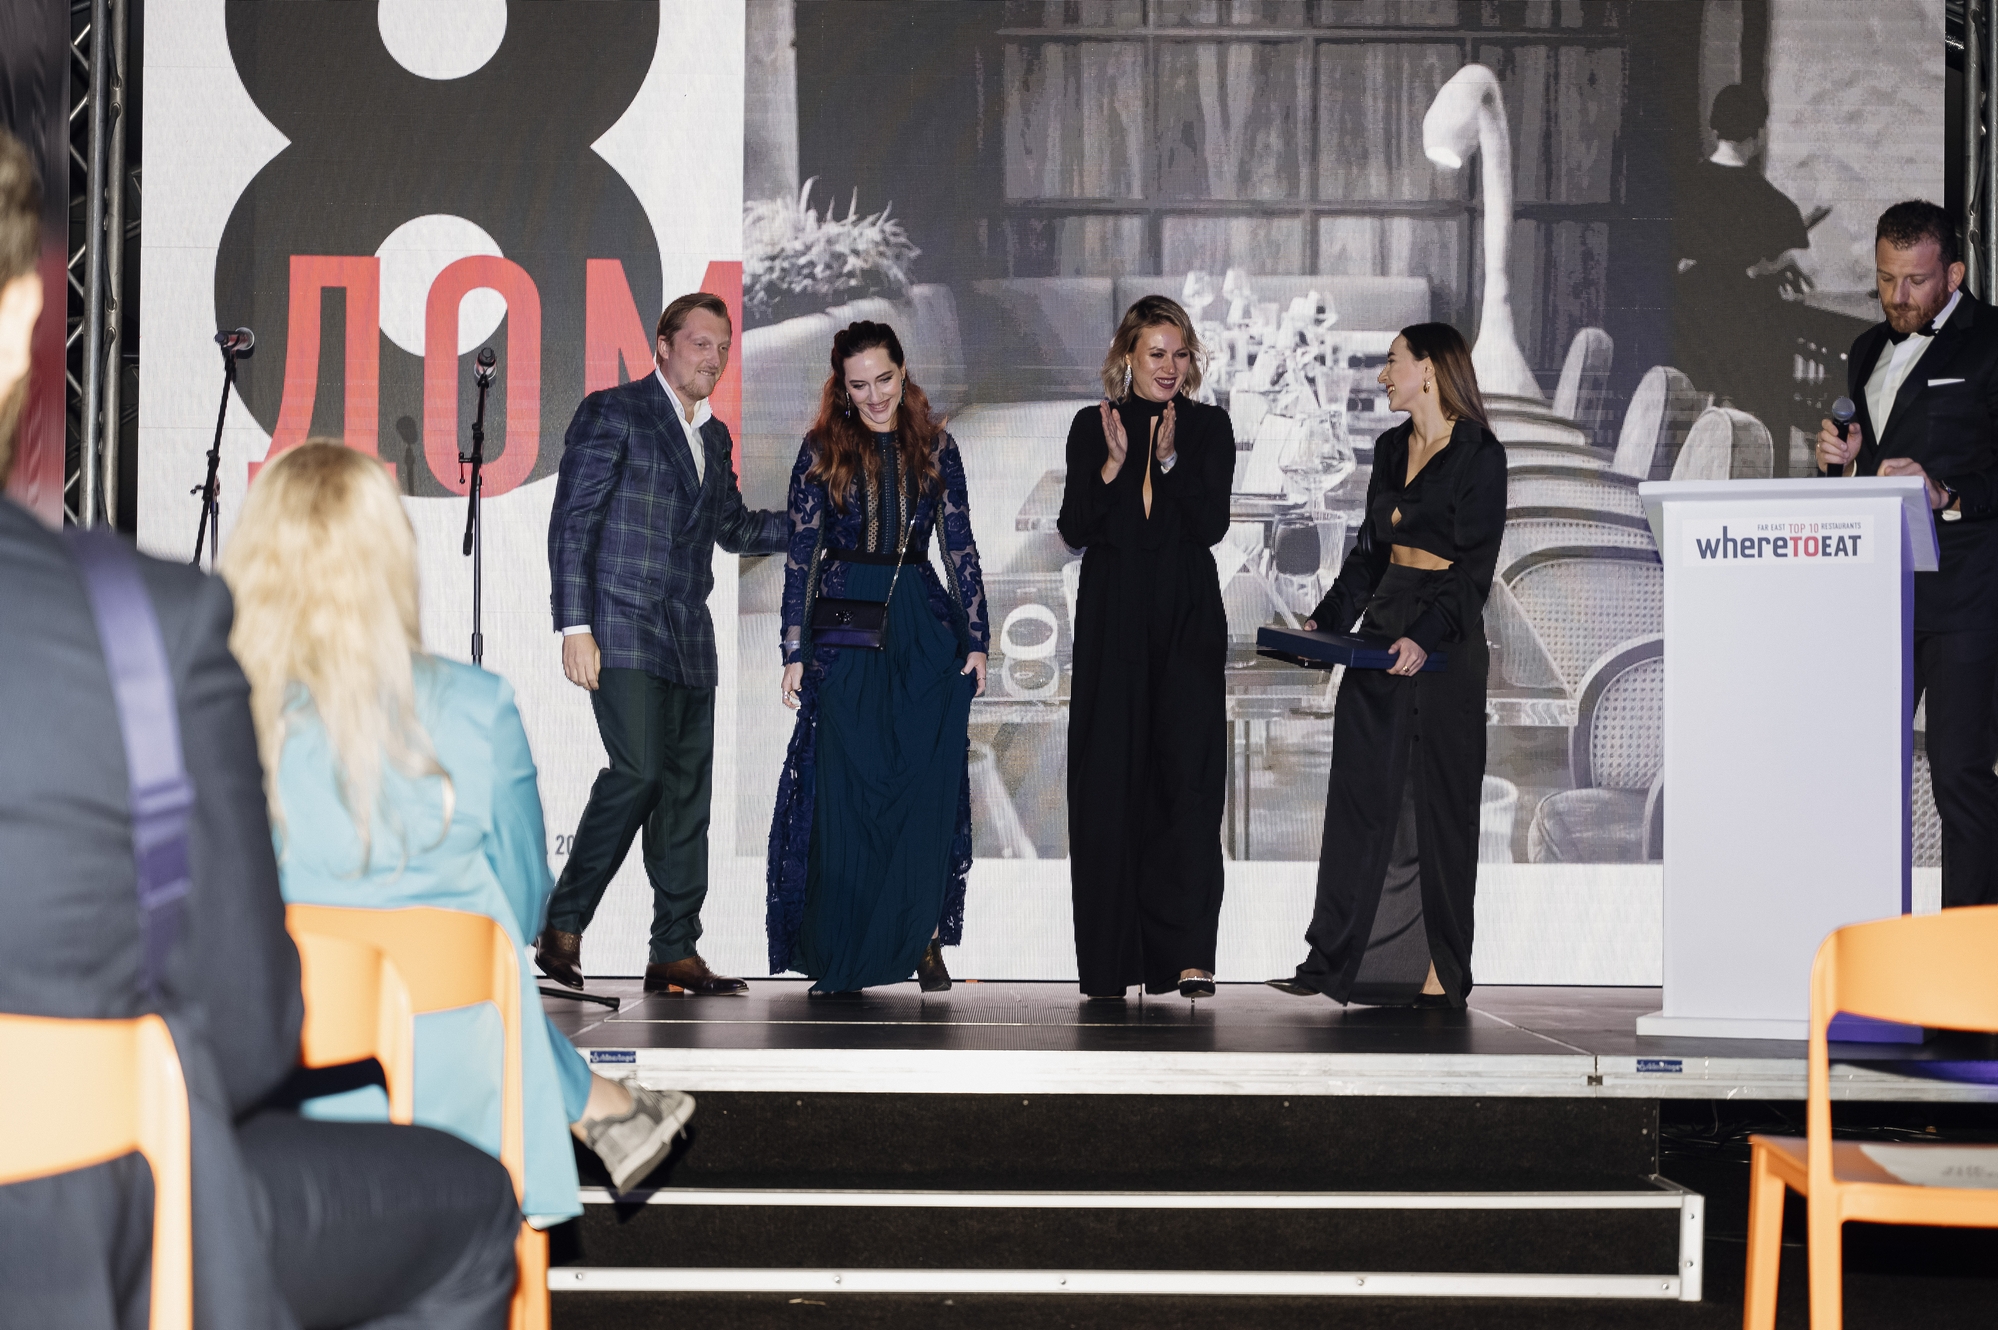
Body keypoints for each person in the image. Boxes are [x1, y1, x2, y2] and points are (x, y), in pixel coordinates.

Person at [0, 130, 520, 1330]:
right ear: (25, 308)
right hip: (77, 1226)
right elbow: (244, 1032)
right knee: (469, 1206)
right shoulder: (147, 630)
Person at [221, 441, 697, 1207]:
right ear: (390, 558)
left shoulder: (205, 719)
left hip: (264, 1098)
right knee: (478, 933)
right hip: (455, 1110)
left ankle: (596, 1102)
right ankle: (592, 1101)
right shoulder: (476, 708)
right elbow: (524, 904)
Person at [541, 292, 788, 994]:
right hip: (620, 627)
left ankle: (675, 951)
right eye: (701, 343)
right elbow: (573, 524)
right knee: (639, 773)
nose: (714, 358)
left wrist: (816, 521)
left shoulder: (715, 436)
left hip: (689, 640)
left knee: (685, 800)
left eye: (723, 347)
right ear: (663, 344)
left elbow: (734, 529)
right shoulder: (614, 411)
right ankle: (562, 923)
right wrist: (575, 626)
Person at [1268, 323, 1507, 1009]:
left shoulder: (1480, 455)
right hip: (1382, 627)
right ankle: (1333, 962)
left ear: (1429, 370)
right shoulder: (1389, 447)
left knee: (1437, 804)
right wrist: (1325, 623)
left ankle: (1439, 969)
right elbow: (1369, 556)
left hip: (1445, 638)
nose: (1382, 376)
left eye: (1393, 363)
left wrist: (1425, 638)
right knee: (1360, 796)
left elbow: (1473, 572)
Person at [767, 321, 989, 994]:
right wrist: (794, 646)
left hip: (920, 625)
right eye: (859, 385)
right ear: (842, 386)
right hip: (843, 623)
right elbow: (803, 555)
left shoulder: (936, 446)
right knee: (847, 788)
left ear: (903, 370)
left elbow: (959, 546)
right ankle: (846, 950)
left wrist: (978, 638)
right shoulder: (821, 450)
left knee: (921, 787)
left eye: (884, 379)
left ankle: (922, 939)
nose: (874, 396)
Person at [1816, 201, 1998, 909]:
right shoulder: (1866, 349)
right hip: (1884, 593)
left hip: (1967, 597)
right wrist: (1843, 464)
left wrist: (1946, 490)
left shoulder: (1992, 342)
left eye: (1916, 281)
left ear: (1953, 274)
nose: (1898, 296)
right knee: (1861, 766)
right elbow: (1878, 469)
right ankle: (1869, 941)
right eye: (1886, 278)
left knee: (1958, 776)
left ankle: (1970, 954)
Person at [1058, 296, 1233, 1001]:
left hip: (1188, 615)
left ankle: (1188, 956)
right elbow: (1075, 527)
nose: (1169, 367)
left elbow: (1210, 525)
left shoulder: (1210, 427)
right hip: (1114, 617)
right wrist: (1114, 466)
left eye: (1180, 354)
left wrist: (1167, 462)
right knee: (1109, 783)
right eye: (1156, 353)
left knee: (1187, 782)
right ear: (1127, 355)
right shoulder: (1091, 425)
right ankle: (1110, 962)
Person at [1671, 83, 1813, 438]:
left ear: (1714, 129)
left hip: (1690, 338)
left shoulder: (1683, 189)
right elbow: (1785, 254)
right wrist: (1775, 265)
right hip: (1749, 349)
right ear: (1758, 135)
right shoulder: (1773, 203)